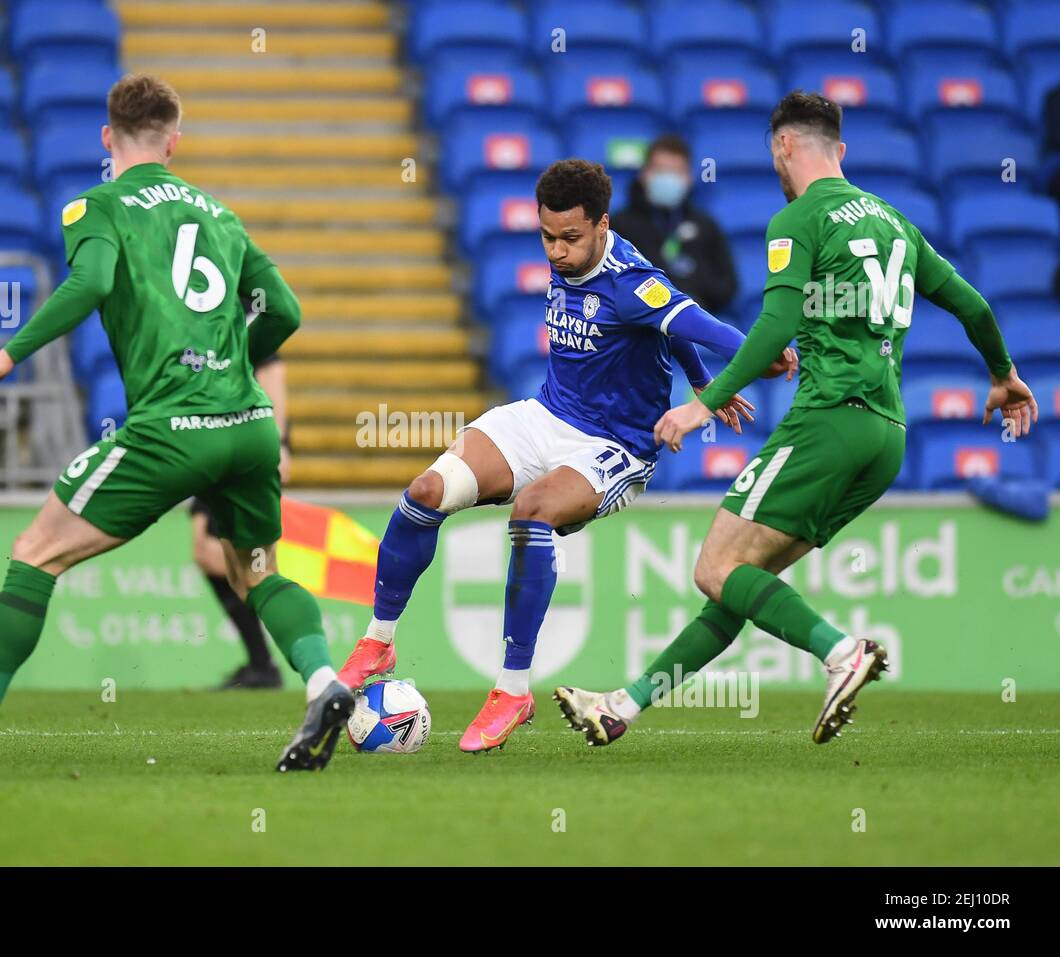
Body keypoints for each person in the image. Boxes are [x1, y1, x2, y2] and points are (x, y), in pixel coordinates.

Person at [0, 73, 354, 774]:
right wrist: (231, 367)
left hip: (174, 427)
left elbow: (93, 283)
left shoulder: (95, 207)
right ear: (175, 141)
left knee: (36, 551)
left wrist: (5, 356)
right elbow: (285, 310)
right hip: (250, 424)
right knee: (256, 571)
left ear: (108, 138)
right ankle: (326, 683)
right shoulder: (220, 215)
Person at [554, 92, 1039, 747]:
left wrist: (702, 400)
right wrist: (1003, 374)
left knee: (715, 569)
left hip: (828, 419)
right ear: (838, 149)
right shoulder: (896, 222)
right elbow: (975, 306)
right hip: (887, 437)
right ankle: (625, 704)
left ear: (783, 147)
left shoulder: (797, 219)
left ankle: (841, 652)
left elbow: (775, 325)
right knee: (740, 582)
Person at [337, 158, 796, 753]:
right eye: (547, 236)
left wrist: (759, 355)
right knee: (425, 492)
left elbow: (690, 320)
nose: (556, 251)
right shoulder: (580, 250)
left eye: (570, 238)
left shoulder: (631, 282)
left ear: (602, 225)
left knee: (532, 510)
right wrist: (703, 380)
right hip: (546, 413)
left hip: (616, 445)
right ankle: (379, 639)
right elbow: (667, 331)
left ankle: (512, 689)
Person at [193, 353, 287, 690]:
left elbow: (271, 367)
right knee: (206, 550)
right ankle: (262, 664)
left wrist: (280, 442)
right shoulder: (196, 311)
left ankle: (275, 662)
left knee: (228, 554)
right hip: (208, 442)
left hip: (242, 447)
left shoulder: (246, 309)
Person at [610, 134, 738, 315]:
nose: (668, 178)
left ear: (689, 178)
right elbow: (610, 284)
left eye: (676, 172)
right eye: (660, 171)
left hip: (699, 319)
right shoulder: (620, 225)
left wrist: (694, 281)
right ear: (644, 174)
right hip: (640, 323)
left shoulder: (705, 224)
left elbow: (728, 286)